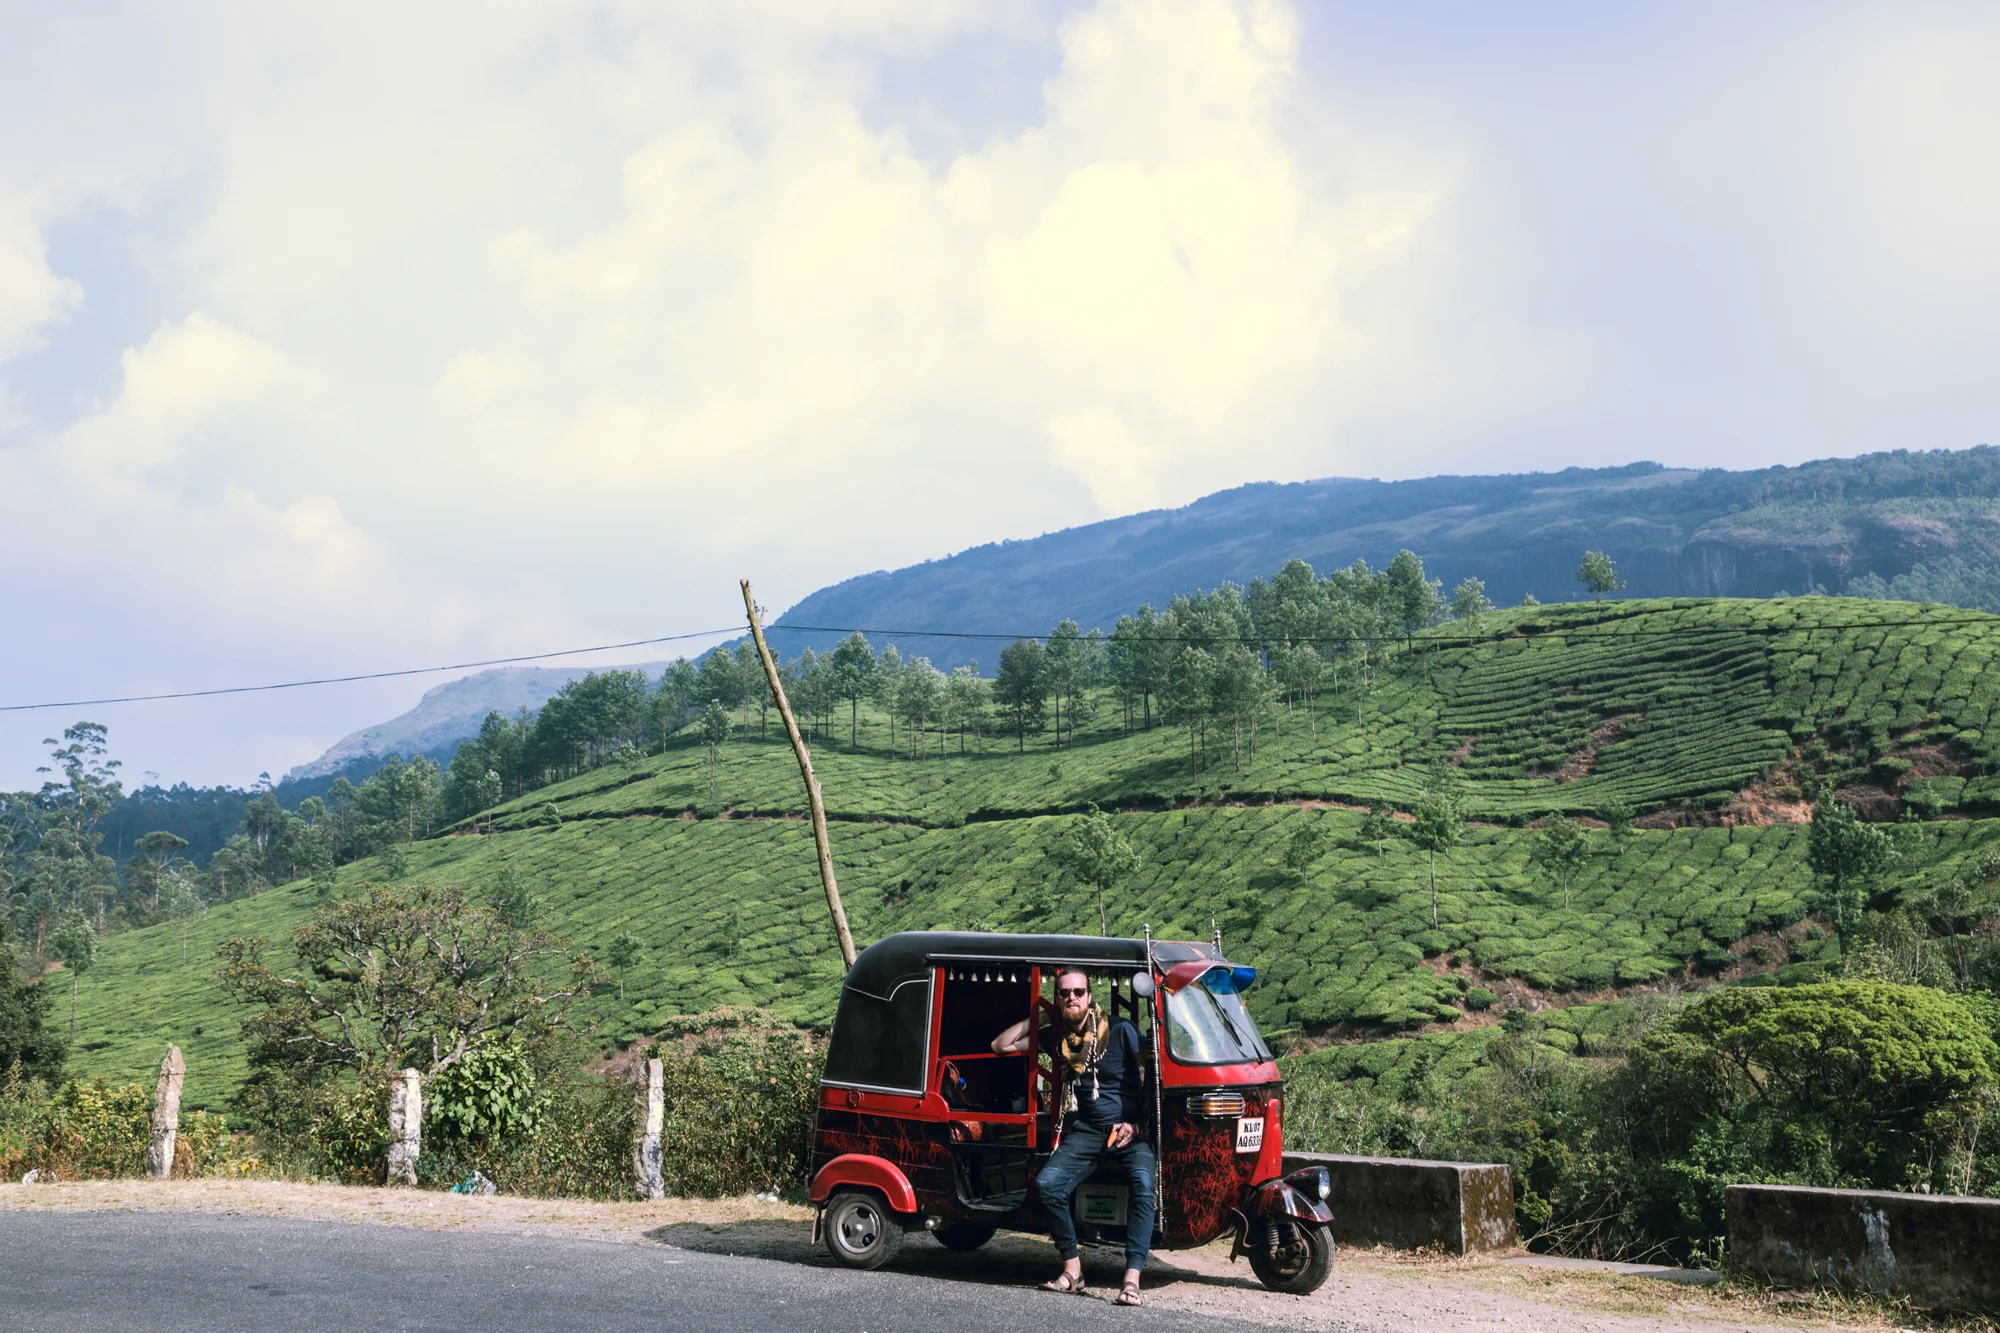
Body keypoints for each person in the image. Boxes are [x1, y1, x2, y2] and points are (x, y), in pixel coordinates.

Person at [992, 967, 1154, 1306]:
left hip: (1129, 1131)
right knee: (1047, 1185)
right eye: (1064, 993)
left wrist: (1137, 1126)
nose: (1072, 998)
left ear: (1089, 996)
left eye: (1078, 992)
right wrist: (1042, 1015)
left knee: (1142, 1184)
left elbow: (1156, 1074)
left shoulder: (1120, 1030)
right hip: (1090, 1130)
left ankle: (1132, 1279)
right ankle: (1073, 1269)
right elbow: (1000, 1045)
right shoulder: (1059, 1038)